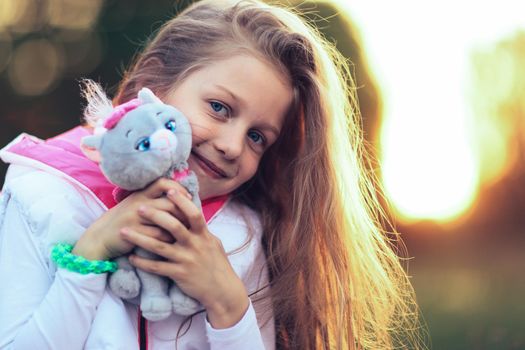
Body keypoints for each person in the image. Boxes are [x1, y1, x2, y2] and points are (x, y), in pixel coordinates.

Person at [0, 0, 422, 349]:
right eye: (219, 108)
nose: (233, 145)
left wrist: (228, 304)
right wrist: (87, 255)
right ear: (154, 84)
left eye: (258, 136)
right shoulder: (44, 194)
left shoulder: (241, 238)